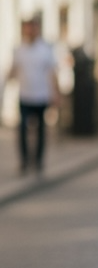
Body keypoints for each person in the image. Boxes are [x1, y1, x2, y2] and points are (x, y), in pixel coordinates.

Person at [7, 18, 59, 174]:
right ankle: (24, 161)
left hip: (41, 95)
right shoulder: (19, 50)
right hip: (25, 95)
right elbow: (13, 70)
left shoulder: (45, 49)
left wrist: (56, 93)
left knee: (41, 130)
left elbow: (52, 72)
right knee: (22, 128)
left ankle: (38, 161)